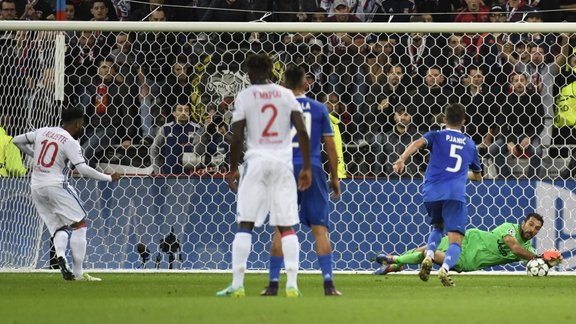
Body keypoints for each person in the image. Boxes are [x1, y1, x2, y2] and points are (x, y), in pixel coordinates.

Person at [216, 54, 312, 298]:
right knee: (286, 226)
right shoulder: (286, 94)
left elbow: (237, 137)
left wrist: (233, 168)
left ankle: (237, 285)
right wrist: (307, 167)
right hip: (282, 164)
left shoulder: (244, 96)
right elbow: (301, 131)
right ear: (272, 70)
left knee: (245, 224)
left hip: (256, 161)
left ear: (248, 72)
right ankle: (292, 284)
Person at [260, 65, 342, 297]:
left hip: (285, 168)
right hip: (312, 167)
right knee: (320, 229)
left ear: (284, 84)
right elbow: (331, 147)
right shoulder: (319, 108)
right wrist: (335, 177)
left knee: (281, 228)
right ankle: (328, 284)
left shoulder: (278, 108)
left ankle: (274, 283)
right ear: (306, 84)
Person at [12, 106, 121, 281]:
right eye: (82, 124)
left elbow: (17, 140)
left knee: (58, 227)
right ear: (78, 123)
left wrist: (34, 154)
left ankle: (61, 256)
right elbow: (83, 169)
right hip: (56, 185)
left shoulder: (43, 131)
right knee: (80, 224)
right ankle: (78, 274)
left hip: (36, 186)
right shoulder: (70, 141)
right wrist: (109, 178)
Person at [393, 103, 483, 286]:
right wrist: (460, 174)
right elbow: (478, 177)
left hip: (431, 191)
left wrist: (402, 159)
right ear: (464, 121)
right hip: (455, 194)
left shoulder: (436, 135)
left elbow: (417, 143)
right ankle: (445, 268)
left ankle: (430, 254)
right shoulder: (470, 144)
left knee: (437, 227)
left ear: (444, 119)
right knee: (455, 240)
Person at [371, 213, 563, 275]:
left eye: (537, 228)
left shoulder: (527, 252)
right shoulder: (510, 228)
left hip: (467, 261)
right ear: (523, 223)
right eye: (530, 224)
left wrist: (550, 262)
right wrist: (539, 257)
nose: (532, 229)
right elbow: (514, 247)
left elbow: (532, 266)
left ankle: (396, 261)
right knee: (427, 247)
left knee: (428, 254)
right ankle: (395, 263)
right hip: (470, 238)